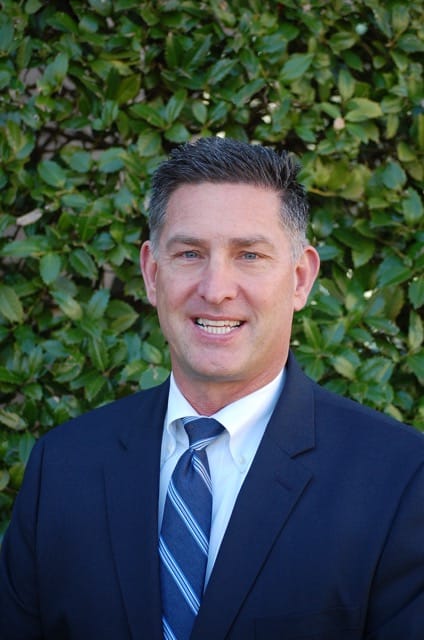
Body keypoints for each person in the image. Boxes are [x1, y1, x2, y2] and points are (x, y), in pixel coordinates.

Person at [0, 137, 423, 640]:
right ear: (152, 273)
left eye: (249, 255)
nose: (216, 289)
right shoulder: (63, 465)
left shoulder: (401, 479)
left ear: (300, 279)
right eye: (189, 253)